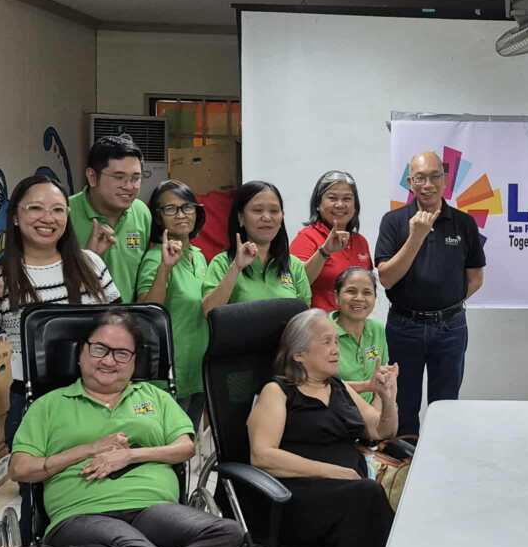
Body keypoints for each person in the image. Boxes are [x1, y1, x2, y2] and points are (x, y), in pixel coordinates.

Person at [0, 311, 245, 547]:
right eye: (100, 349)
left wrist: (128, 455)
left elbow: (184, 447)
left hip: (152, 509)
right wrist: (89, 448)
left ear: (134, 361)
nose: (109, 361)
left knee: (230, 533)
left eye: (122, 353)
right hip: (83, 514)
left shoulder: (156, 398)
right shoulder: (50, 405)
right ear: (81, 353)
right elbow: (20, 469)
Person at [0, 174, 119, 543]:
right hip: (33, 403)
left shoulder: (90, 265)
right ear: (16, 217)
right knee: (40, 502)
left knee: (102, 488)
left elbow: (122, 329)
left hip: (98, 398)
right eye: (35, 208)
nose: (47, 217)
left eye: (57, 209)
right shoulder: (0, 277)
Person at [247, 309, 399, 547]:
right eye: (326, 341)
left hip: (349, 500)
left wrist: (388, 399)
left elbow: (382, 431)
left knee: (370, 501)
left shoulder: (340, 387)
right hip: (294, 501)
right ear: (299, 354)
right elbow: (262, 455)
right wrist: (334, 472)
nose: (335, 348)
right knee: (367, 497)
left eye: (335, 341)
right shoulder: (278, 391)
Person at [374, 151, 486, 436]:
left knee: (446, 405)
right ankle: (404, 468)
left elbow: (475, 278)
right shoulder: (394, 221)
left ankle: (443, 465)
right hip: (404, 327)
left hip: (450, 327)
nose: (428, 184)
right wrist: (417, 235)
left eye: (435, 176)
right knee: (403, 403)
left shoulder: (464, 223)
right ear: (410, 183)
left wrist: (445, 304)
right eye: (420, 178)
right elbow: (386, 279)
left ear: (445, 179)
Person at [136, 180, 209, 426]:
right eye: (170, 209)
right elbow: (147, 311)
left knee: (190, 447)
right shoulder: (155, 257)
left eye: (187, 207)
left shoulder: (199, 256)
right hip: (168, 374)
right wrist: (165, 269)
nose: (181, 215)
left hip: (197, 370)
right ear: (158, 218)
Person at [202, 181, 311, 315]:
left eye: (274, 211)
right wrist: (236, 268)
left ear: (282, 216)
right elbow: (208, 312)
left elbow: (304, 318)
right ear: (241, 217)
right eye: (257, 210)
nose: (266, 217)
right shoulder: (222, 263)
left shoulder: (293, 265)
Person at [69, 135, 152, 303]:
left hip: (126, 323)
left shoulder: (141, 212)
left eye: (136, 178)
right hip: (76, 320)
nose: (129, 186)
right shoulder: (64, 214)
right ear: (92, 177)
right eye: (119, 177)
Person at [291, 170, 373, 312]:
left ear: (355, 206)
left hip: (354, 328)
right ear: (318, 204)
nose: (340, 205)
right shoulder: (307, 237)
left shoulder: (361, 242)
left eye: (347, 199)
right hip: (319, 328)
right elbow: (294, 285)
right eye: (332, 198)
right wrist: (324, 252)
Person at [331, 267, 388, 404]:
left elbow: (381, 380)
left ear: (375, 298)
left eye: (367, 292)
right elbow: (321, 388)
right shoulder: (322, 332)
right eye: (351, 291)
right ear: (336, 297)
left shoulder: (377, 329)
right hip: (336, 413)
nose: (359, 298)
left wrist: (377, 413)